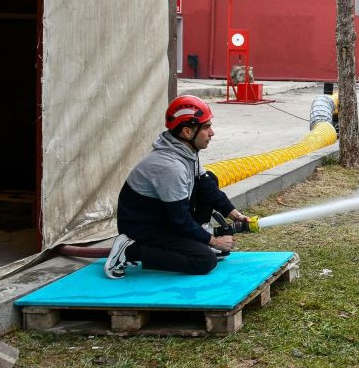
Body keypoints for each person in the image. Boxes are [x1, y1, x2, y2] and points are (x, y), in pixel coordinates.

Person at [104, 95, 251, 278]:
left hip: (164, 217)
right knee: (204, 261)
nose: (212, 132)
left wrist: (235, 214)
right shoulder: (170, 166)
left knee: (208, 179)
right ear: (187, 132)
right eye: (206, 127)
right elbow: (180, 219)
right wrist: (214, 241)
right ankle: (130, 250)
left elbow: (206, 187)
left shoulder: (186, 152)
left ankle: (198, 238)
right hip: (143, 228)